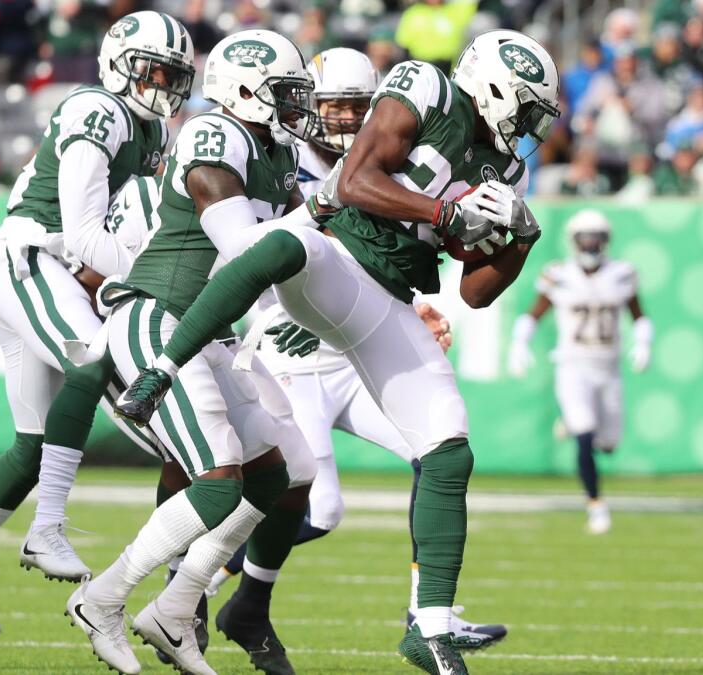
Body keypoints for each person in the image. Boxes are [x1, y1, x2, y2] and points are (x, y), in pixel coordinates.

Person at [115, 29, 560, 675]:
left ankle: (430, 625)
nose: (526, 129)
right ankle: (161, 369)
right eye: (523, 109)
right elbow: (354, 180)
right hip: (338, 258)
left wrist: (519, 241)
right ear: (493, 86)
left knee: (446, 442)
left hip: (390, 298)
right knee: (277, 248)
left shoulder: (506, 168)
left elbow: (477, 290)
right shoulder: (427, 88)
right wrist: (445, 213)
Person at [0, 9, 194, 640]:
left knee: (32, 446)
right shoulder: (101, 111)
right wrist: (154, 276)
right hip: (28, 258)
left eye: (174, 75)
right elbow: (85, 235)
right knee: (93, 358)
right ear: (120, 63)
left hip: (47, 268)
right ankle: (47, 528)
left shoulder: (148, 131)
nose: (163, 85)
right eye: (153, 71)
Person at [204, 47, 508, 653]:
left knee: (437, 451)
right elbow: (252, 253)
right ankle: (202, 577)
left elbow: (380, 262)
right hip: (291, 354)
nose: (343, 118)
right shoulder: (282, 162)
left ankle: (427, 613)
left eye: (355, 106)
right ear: (306, 107)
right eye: (331, 106)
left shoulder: (394, 157)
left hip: (354, 352)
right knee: (318, 506)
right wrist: (269, 315)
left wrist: (415, 305)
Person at [67, 29, 321, 675]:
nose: (295, 109)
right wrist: (324, 208)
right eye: (284, 95)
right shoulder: (217, 136)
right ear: (241, 91)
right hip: (160, 318)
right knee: (217, 480)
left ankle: (177, 606)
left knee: (282, 470)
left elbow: (310, 246)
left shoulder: (273, 150)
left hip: (211, 331)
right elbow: (243, 244)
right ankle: (104, 597)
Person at [508, 210, 651, 535]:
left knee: (609, 443)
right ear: (574, 240)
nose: (590, 244)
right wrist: (519, 343)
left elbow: (639, 315)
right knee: (585, 436)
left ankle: (573, 424)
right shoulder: (559, 274)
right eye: (584, 237)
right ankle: (596, 506)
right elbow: (533, 313)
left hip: (608, 368)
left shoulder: (621, 273)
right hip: (573, 366)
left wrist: (644, 343)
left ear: (606, 240)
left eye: (595, 237)